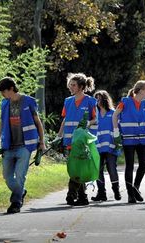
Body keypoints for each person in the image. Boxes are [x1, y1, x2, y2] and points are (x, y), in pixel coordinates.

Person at [0, 77, 46, 214]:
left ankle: (15, 203)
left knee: (20, 175)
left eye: (3, 92)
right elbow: (1, 126)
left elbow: (38, 123)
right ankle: (21, 192)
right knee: (7, 176)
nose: (2, 95)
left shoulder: (28, 101)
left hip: (25, 146)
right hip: (8, 146)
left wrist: (42, 142)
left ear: (11, 89)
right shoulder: (4, 104)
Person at [57, 73, 97, 206]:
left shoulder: (91, 102)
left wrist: (89, 123)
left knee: (78, 168)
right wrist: (59, 136)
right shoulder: (67, 101)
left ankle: (72, 194)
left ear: (81, 86)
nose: (71, 87)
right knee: (74, 168)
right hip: (68, 141)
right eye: (70, 85)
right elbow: (65, 120)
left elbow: (97, 119)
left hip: (82, 142)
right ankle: (82, 197)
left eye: (73, 85)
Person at [112, 80, 145, 203]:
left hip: (142, 138)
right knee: (129, 165)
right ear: (141, 90)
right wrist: (116, 132)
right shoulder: (125, 102)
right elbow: (115, 116)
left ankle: (135, 187)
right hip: (128, 139)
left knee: (144, 164)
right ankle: (130, 195)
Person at [91, 90, 121, 202]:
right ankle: (101, 193)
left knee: (112, 169)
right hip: (97, 146)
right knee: (98, 170)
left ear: (104, 99)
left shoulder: (113, 113)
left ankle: (116, 191)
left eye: (98, 99)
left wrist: (118, 142)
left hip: (110, 146)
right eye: (96, 99)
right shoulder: (95, 115)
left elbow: (117, 128)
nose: (97, 102)